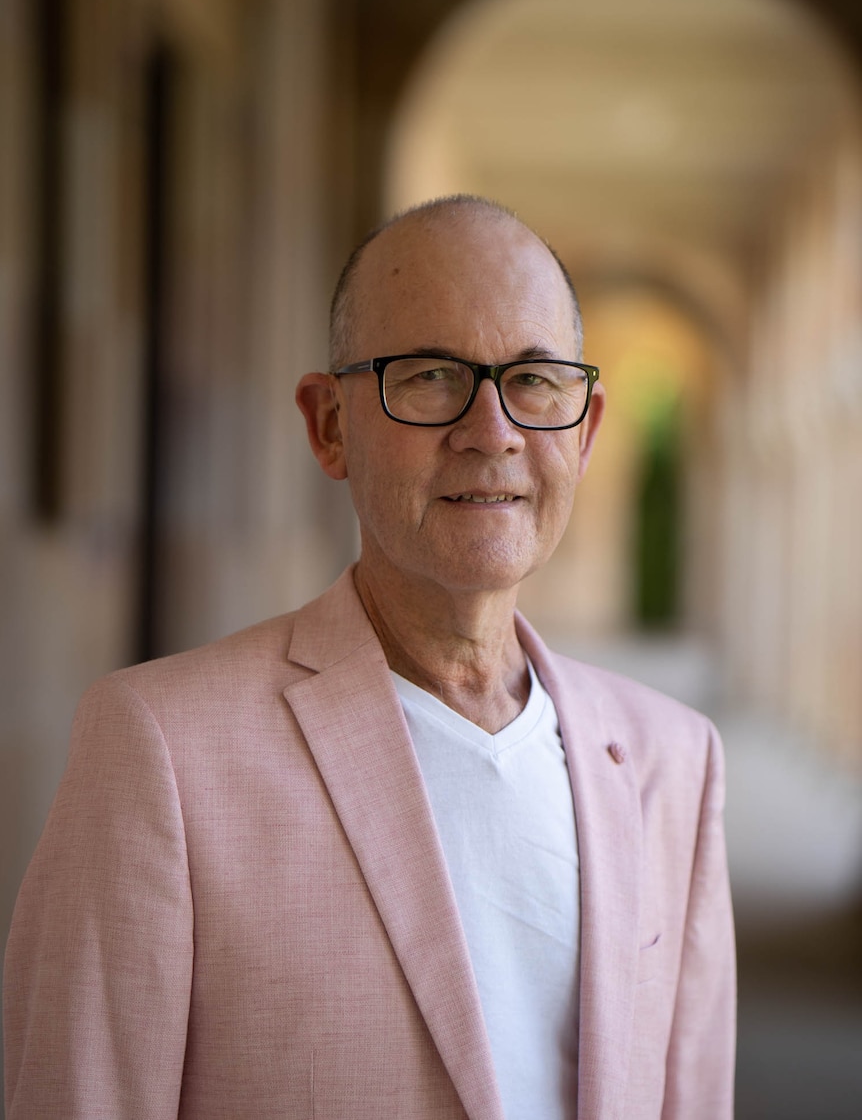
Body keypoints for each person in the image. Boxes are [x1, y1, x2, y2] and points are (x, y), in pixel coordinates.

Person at [4, 195, 735, 1119]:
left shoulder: (676, 762)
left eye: (536, 381)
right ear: (329, 426)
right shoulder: (162, 752)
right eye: (430, 374)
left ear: (585, 432)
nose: (494, 429)